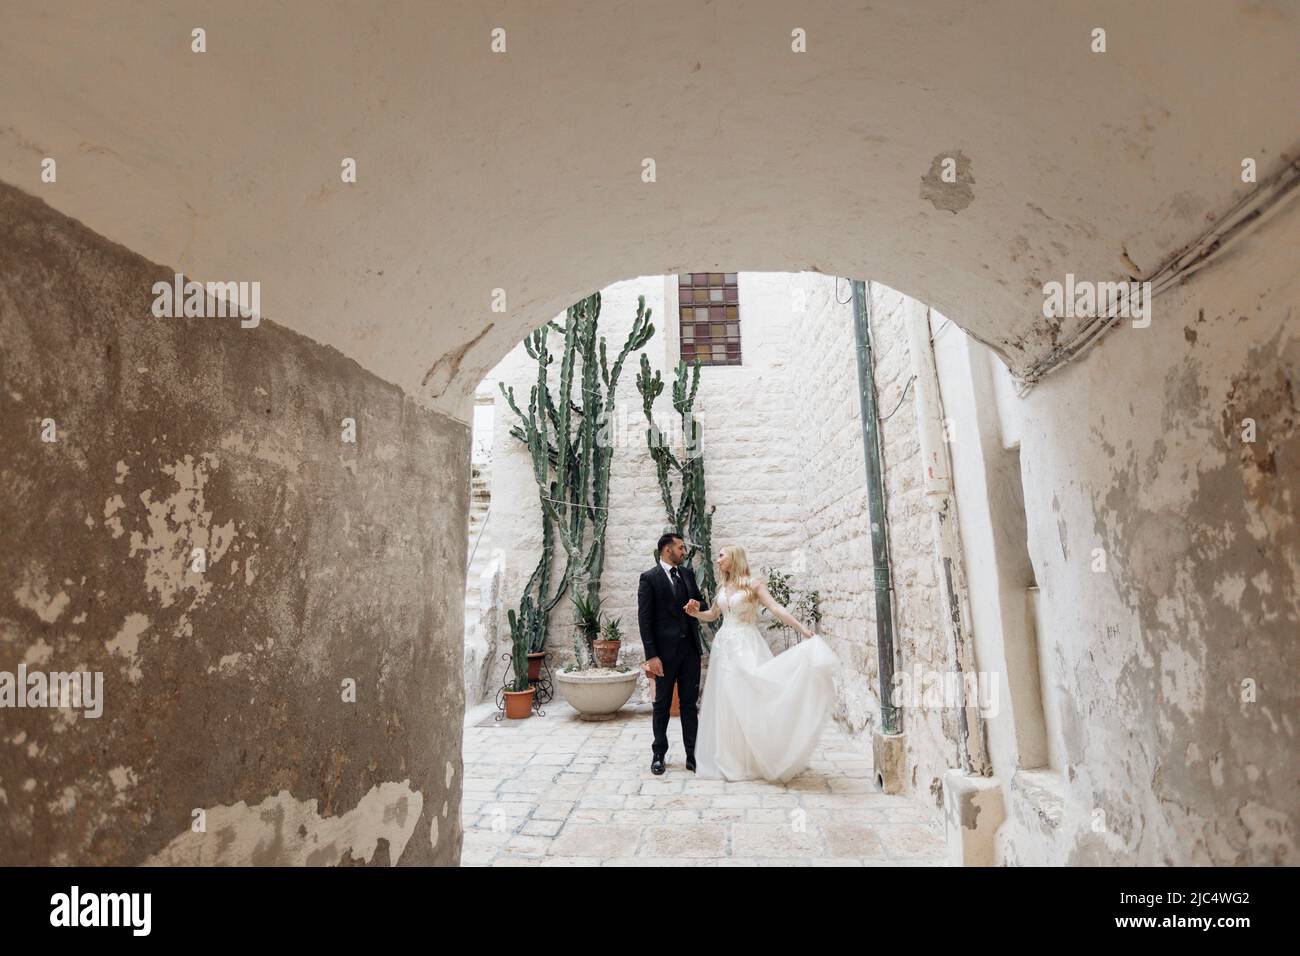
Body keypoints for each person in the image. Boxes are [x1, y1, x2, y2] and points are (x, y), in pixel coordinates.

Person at [685, 544, 842, 782]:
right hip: (724, 648)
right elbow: (714, 615)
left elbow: (776, 608)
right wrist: (695, 613)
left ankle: (764, 755)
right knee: (727, 701)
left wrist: (801, 628)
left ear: (734, 558)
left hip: (745, 645)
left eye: (721, 555)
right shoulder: (722, 586)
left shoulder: (753, 584)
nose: (717, 560)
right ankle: (733, 759)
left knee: (751, 695)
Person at [636, 532, 708, 775]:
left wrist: (697, 606)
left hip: (689, 652)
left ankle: (692, 755)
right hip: (663, 656)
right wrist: (652, 656)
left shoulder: (687, 574)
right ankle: (658, 754)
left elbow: (702, 604)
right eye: (680, 548)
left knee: (690, 704)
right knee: (661, 705)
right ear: (667, 550)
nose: (684, 552)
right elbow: (644, 621)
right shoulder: (649, 578)